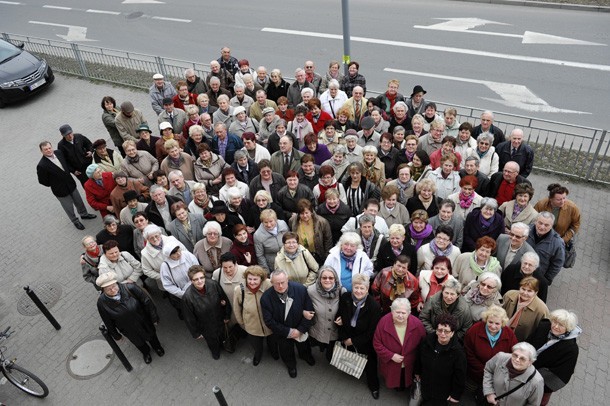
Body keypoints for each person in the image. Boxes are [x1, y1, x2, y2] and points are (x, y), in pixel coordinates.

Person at [96, 272, 164, 364]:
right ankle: (146, 353)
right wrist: (117, 336)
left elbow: (147, 302)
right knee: (138, 342)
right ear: (103, 290)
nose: (113, 290)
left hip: (143, 321)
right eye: (108, 289)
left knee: (152, 335)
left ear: (117, 283)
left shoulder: (130, 288)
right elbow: (107, 321)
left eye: (114, 286)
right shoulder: (102, 303)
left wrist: (154, 318)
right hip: (128, 329)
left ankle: (157, 347)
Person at [261, 269, 315, 378]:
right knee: (286, 350)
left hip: (300, 327)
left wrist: (300, 330)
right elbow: (269, 321)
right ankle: (291, 365)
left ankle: (305, 356)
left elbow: (310, 310)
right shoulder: (266, 298)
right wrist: (289, 332)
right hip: (282, 332)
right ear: (271, 283)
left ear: (287, 280)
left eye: (283, 282)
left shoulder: (300, 289)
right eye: (277, 283)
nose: (280, 286)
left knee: (304, 345)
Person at [336, 274, 381, 398]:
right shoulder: (346, 298)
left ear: (367, 289)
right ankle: (353, 369)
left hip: (365, 341)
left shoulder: (374, 307)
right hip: (347, 335)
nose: (358, 291)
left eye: (362, 288)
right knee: (350, 356)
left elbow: (371, 332)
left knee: (370, 365)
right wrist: (345, 337)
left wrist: (354, 341)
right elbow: (340, 316)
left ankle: (374, 386)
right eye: (356, 287)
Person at [37, 141, 97, 230]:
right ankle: (75, 221)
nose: (49, 150)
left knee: (79, 201)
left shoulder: (58, 153)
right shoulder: (42, 165)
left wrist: (73, 171)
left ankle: (84, 214)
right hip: (60, 190)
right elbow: (43, 181)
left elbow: (66, 164)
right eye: (46, 149)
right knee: (68, 207)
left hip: (70, 183)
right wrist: (55, 183)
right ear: (41, 151)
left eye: (50, 148)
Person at [527, 309, 581, 405]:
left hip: (540, 384)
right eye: (555, 322)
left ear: (568, 328)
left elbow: (561, 375)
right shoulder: (544, 326)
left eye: (561, 325)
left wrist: (531, 377)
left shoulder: (571, 350)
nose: (555, 326)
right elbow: (529, 342)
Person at [464, 305, 518, 400]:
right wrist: (485, 371)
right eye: (490, 322)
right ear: (486, 320)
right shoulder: (474, 330)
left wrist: (497, 373)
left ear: (502, 323)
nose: (493, 326)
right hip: (475, 375)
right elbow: (469, 353)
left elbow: (512, 355)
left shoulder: (509, 335)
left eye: (497, 323)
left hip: (497, 377)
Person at [373, 298, 426, 392]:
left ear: (409, 312)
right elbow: (377, 343)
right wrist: (391, 355)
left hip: (409, 362)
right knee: (394, 379)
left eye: (404, 313)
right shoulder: (383, 322)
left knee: (405, 378)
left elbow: (423, 345)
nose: (400, 316)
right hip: (391, 363)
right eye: (398, 312)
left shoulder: (418, 325)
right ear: (392, 311)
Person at [415, 313, 467, 405]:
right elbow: (419, 357)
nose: (442, 334)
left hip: (443, 392)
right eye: (440, 330)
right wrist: (417, 372)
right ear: (436, 330)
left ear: (452, 333)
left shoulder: (458, 352)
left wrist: (456, 395)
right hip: (426, 385)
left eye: (446, 331)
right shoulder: (427, 341)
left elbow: (460, 375)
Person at [182, 265, 232, 360]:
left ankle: (223, 346)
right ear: (191, 281)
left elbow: (224, 299)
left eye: (201, 277)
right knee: (212, 341)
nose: (200, 281)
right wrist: (195, 333)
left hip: (219, 319)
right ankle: (215, 351)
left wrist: (227, 315)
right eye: (196, 279)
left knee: (222, 335)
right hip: (206, 326)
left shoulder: (213, 284)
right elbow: (189, 318)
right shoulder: (187, 297)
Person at [233, 265, 273, 365]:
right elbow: (236, 308)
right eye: (249, 279)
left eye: (255, 279)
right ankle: (258, 354)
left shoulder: (268, 284)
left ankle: (273, 352)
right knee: (256, 345)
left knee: (272, 342)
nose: (252, 282)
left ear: (262, 279)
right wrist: (242, 323)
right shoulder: (239, 290)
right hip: (251, 326)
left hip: (270, 324)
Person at [306, 266, 345, 362]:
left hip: (334, 330)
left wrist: (343, 318)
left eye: (331, 278)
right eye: (324, 278)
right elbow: (304, 306)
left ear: (335, 279)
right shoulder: (311, 290)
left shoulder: (342, 291)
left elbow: (346, 310)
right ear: (319, 278)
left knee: (331, 352)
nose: (327, 280)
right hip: (318, 327)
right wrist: (304, 312)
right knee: (319, 345)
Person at [502, 276, 550, 341]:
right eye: (523, 289)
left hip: (521, 341)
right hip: (501, 332)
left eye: (529, 291)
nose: (525, 293)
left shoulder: (542, 310)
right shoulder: (509, 295)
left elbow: (541, 332)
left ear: (536, 292)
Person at [160, 241, 199, 317]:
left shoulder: (187, 255)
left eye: (179, 250)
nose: (179, 254)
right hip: (182, 295)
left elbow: (197, 269)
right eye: (174, 253)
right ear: (168, 256)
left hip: (197, 287)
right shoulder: (165, 267)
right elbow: (168, 285)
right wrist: (182, 294)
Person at [525, 212, 565, 285]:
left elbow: (557, 263)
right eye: (540, 223)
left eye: (546, 225)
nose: (542, 227)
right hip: (521, 269)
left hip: (536, 278)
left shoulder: (557, 243)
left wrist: (546, 279)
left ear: (551, 226)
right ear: (535, 221)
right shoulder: (525, 231)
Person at [140, 225, 183, 289]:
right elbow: (146, 270)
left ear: (160, 234)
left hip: (183, 273)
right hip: (167, 282)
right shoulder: (145, 253)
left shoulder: (171, 239)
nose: (155, 239)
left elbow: (185, 252)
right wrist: (162, 276)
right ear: (147, 239)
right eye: (151, 238)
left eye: (156, 236)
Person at [211, 252, 247, 327]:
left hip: (243, 306)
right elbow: (214, 289)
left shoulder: (245, 271)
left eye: (230, 267)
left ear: (235, 263)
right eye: (224, 267)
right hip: (228, 307)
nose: (228, 270)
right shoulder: (217, 274)